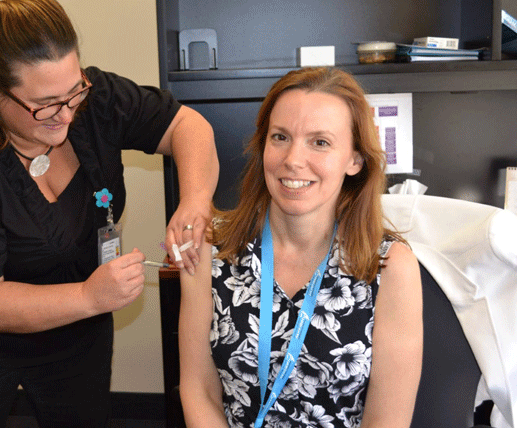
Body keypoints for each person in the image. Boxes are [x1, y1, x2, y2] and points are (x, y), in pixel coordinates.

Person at [0, 0, 218, 428]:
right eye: (44, 105)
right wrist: (90, 296)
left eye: (73, 93)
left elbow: (186, 125)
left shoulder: (93, 98)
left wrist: (195, 200)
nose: (66, 116)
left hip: (73, 326)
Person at [178, 67, 422, 428]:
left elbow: (387, 421)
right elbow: (199, 390)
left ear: (355, 159)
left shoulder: (389, 267)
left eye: (320, 142)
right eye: (280, 137)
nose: (293, 159)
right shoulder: (210, 251)